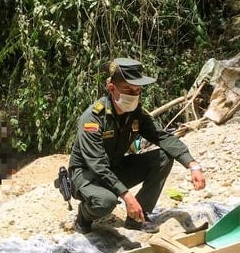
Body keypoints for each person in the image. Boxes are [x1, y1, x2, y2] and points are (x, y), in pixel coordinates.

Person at [68, 57, 206, 234]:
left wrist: (193, 165)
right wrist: (127, 196)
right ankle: (84, 217)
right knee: (106, 202)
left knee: (163, 158)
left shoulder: (135, 113)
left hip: (114, 168)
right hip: (87, 175)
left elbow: (161, 136)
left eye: (138, 90)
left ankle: (137, 218)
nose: (134, 96)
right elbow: (98, 165)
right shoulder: (93, 119)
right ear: (112, 89)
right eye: (128, 90)